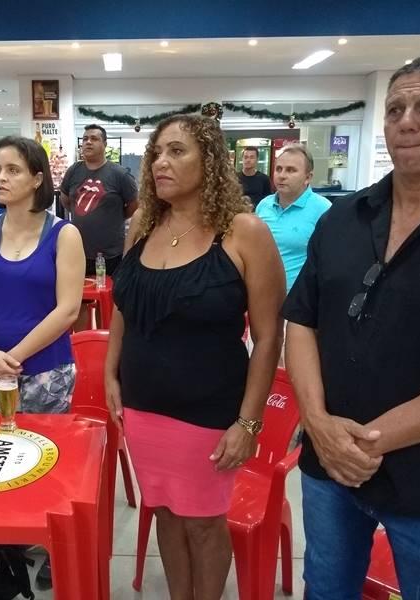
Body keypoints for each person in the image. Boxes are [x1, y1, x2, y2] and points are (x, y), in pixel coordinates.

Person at [283, 55, 420, 599]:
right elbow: (303, 322)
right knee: (326, 588)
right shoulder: (343, 218)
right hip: (328, 466)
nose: (406, 121)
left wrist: (362, 442)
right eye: (395, 109)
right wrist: (318, 423)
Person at [105, 115, 285, 599]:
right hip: (143, 407)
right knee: (165, 512)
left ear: (210, 162)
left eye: (177, 151)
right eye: (157, 153)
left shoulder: (243, 232)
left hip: (208, 413)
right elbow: (124, 304)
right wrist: (110, 372)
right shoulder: (143, 225)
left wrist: (249, 423)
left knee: (204, 523)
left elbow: (269, 336)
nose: (161, 162)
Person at [0, 136, 85, 590]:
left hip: (46, 371)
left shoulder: (63, 234)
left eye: (13, 170)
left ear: (37, 179)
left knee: (43, 462)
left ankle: (52, 541)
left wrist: (15, 356)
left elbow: (67, 309)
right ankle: (5, 540)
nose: (1, 178)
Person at [60, 124, 138, 329]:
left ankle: (105, 342)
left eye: (94, 138)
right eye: (85, 138)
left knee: (108, 301)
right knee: (79, 301)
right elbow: (66, 200)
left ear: (104, 144)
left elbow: (134, 206)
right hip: (79, 252)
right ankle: (82, 342)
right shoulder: (74, 171)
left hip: (111, 253)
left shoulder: (119, 174)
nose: (88, 142)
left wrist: (114, 217)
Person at [255, 144, 331, 293]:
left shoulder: (324, 209)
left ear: (308, 177)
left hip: (299, 298)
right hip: (262, 295)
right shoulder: (264, 205)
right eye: (278, 169)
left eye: (291, 170)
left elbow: (331, 261)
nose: (282, 175)